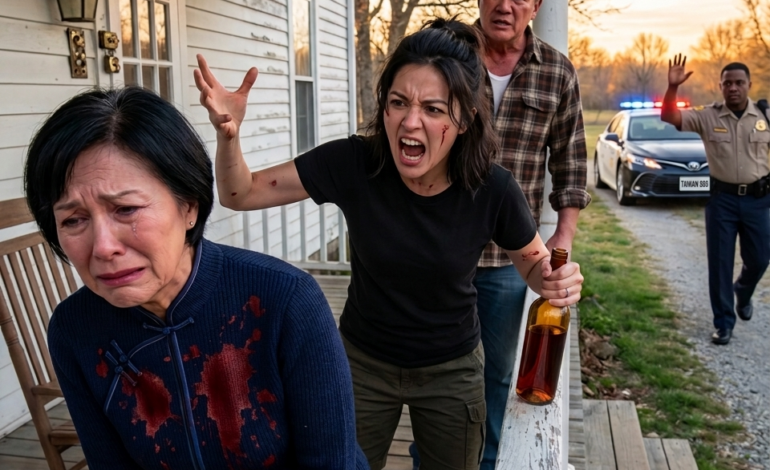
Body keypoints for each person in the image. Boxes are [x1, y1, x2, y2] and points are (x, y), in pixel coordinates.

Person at [195, 18, 584, 470]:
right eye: (398, 102)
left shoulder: (492, 188)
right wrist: (229, 135)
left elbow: (534, 264)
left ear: (464, 118)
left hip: (452, 368)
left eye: (433, 109)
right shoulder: (354, 162)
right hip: (362, 363)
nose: (410, 121)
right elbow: (240, 193)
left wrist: (553, 278)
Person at [24, 87, 369, 469]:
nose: (103, 247)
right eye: (74, 220)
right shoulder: (75, 329)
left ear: (188, 205)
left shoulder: (283, 300)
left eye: (126, 209)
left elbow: (331, 460)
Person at [468, 1, 591, 467]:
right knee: (436, 373)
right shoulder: (449, 54)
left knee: (499, 373)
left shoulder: (557, 71)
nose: (505, 6)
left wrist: (564, 234)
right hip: (442, 250)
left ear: (536, 5)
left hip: (510, 258)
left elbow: (571, 160)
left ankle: (488, 461)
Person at [661, 56, 770, 345]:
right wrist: (672, 87)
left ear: (749, 85)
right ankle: (723, 323)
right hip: (722, 201)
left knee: (760, 259)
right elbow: (670, 116)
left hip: (758, 200)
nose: (733, 88)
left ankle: (743, 291)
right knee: (720, 264)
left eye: (739, 83)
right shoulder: (708, 116)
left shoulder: (765, 116)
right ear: (720, 86)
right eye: (727, 83)